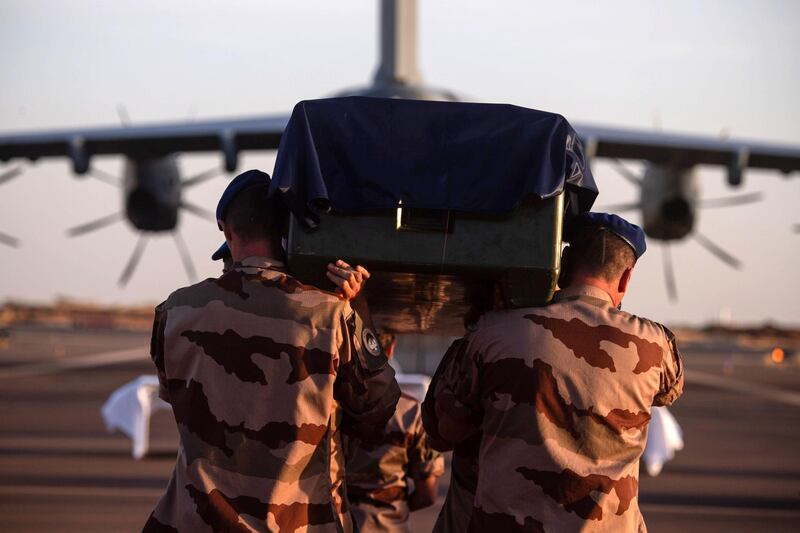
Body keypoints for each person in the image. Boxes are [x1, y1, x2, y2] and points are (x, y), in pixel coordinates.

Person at [143, 169, 401, 533]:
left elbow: (177, 396)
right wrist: (358, 309)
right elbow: (380, 405)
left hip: (194, 522)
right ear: (284, 231)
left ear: (226, 230)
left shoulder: (175, 312)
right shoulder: (329, 315)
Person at [422, 212, 684, 532]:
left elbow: (440, 431)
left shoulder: (492, 334)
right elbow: (670, 390)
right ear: (626, 278)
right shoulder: (653, 345)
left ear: (564, 262)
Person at [345, 333, 445, 533]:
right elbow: (427, 494)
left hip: (340, 524)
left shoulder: (336, 407)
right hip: (390, 527)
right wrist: (392, 508)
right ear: (390, 350)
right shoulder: (412, 412)